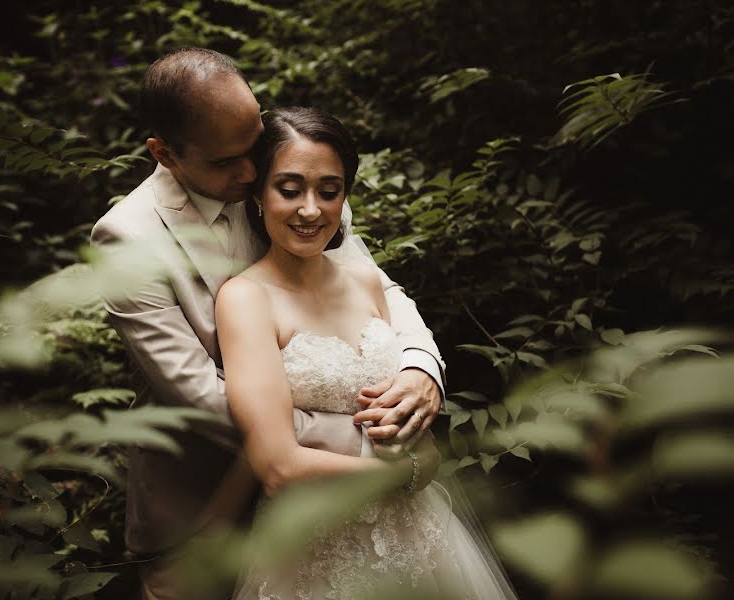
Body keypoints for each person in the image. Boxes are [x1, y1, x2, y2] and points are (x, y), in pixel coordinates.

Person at [91, 48, 446, 600]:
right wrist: (367, 438)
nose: (252, 171)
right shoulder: (128, 239)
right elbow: (195, 392)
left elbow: (377, 288)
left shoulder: (296, 179)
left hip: (337, 513)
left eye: (254, 145)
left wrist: (421, 369)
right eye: (226, 162)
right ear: (165, 153)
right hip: (204, 502)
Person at [217, 107, 517, 599]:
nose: (311, 209)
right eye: (289, 189)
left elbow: (419, 421)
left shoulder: (365, 280)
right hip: (317, 547)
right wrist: (404, 472)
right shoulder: (246, 299)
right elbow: (277, 466)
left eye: (328, 191)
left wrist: (424, 447)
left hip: (419, 533)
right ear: (257, 193)